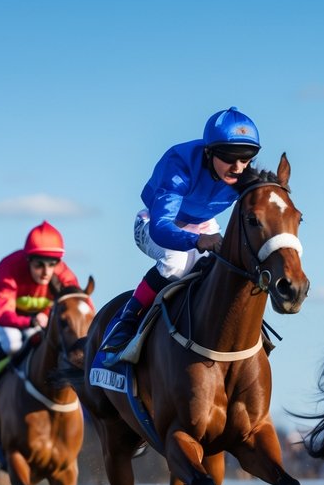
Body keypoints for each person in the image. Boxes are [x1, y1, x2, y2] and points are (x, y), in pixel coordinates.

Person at [94, 107, 261, 368]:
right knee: (175, 264)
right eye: (230, 157)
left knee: (226, 266)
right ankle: (127, 320)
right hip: (154, 222)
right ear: (209, 152)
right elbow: (161, 226)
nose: (238, 167)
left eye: (247, 157)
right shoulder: (179, 165)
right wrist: (195, 241)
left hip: (202, 223)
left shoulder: (242, 174)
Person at [0, 221, 81, 411]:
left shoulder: (63, 274)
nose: (46, 272)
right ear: (28, 260)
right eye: (39, 265)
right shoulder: (9, 269)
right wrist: (30, 320)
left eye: (52, 265)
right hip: (9, 319)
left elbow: (78, 304)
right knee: (13, 344)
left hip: (40, 319)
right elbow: (3, 313)